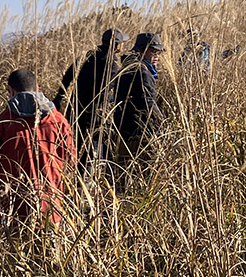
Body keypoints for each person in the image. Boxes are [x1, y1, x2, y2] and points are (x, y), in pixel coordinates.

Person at [0, 68, 75, 226]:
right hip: (51, 210)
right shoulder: (59, 121)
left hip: (14, 212)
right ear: (37, 88)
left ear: (10, 91)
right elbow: (71, 162)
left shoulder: (2, 123)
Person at [54, 27, 129, 171]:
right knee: (88, 155)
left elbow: (68, 75)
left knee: (72, 149)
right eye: (122, 43)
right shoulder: (112, 64)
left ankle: (68, 176)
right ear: (117, 45)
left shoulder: (89, 55)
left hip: (74, 109)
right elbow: (103, 93)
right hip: (92, 116)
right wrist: (114, 101)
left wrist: (59, 97)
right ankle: (83, 181)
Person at [108, 32, 165, 169]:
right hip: (136, 135)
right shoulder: (142, 72)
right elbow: (148, 105)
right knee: (139, 171)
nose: (156, 56)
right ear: (141, 51)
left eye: (158, 53)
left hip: (123, 132)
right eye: (153, 52)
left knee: (123, 171)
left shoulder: (129, 68)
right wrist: (162, 126)